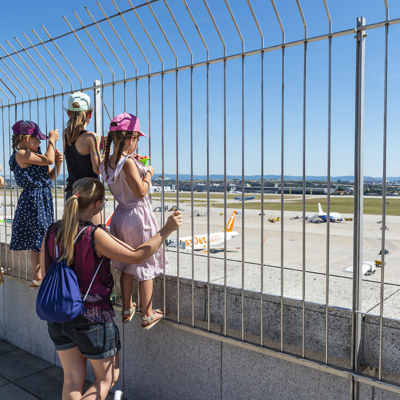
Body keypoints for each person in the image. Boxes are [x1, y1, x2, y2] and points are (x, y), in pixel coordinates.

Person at [39, 177, 182, 400]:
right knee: (106, 379)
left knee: (72, 380)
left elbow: (45, 271)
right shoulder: (93, 235)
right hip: (92, 320)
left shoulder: (52, 231)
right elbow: (138, 256)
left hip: (58, 316)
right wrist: (167, 229)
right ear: (96, 205)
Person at [100, 112, 167, 329]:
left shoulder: (107, 162)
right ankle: (147, 314)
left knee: (126, 263)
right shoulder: (128, 162)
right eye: (137, 139)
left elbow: (117, 172)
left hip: (120, 215)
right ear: (131, 138)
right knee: (145, 262)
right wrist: (148, 173)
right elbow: (140, 191)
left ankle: (127, 308)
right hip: (138, 216)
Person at [9, 120, 62, 288]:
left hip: (42, 197)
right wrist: (52, 140)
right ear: (26, 138)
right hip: (33, 199)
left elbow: (50, 176)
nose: (40, 142)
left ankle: (39, 276)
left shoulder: (35, 155)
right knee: (39, 238)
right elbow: (48, 159)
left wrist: (59, 163)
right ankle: (39, 275)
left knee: (40, 238)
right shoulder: (22, 154)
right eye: (37, 139)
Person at [64, 91, 102, 224]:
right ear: (90, 114)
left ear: (69, 113)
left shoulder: (65, 135)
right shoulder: (91, 137)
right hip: (89, 193)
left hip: (72, 190)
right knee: (92, 237)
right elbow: (97, 168)